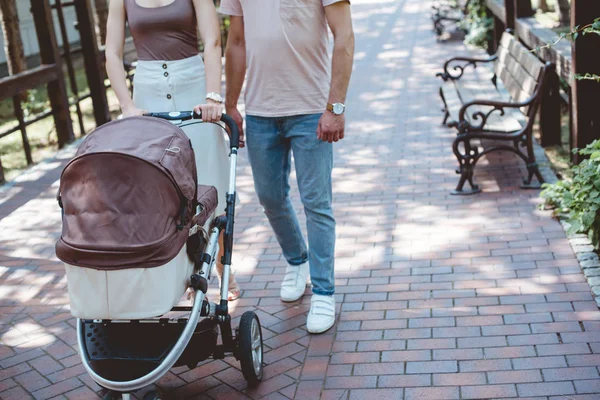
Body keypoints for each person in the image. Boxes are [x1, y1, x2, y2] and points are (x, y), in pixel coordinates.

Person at [220, 0, 355, 333]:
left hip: (311, 108)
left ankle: (324, 291)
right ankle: (298, 260)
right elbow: (236, 41)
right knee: (270, 198)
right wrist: (230, 104)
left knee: (316, 203)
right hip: (260, 110)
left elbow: (345, 36)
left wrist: (335, 107)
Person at [105, 0, 241, 300]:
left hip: (194, 85)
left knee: (210, 174)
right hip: (148, 91)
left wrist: (212, 96)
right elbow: (112, 52)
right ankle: (190, 272)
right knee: (165, 185)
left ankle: (221, 263)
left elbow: (212, 40)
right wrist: (127, 105)